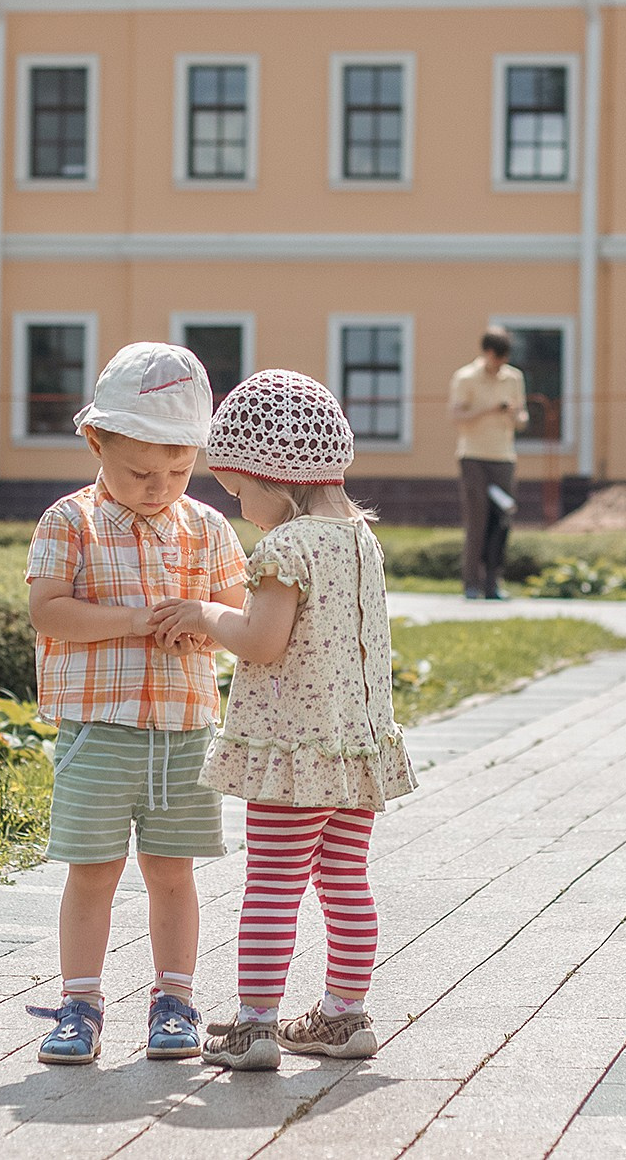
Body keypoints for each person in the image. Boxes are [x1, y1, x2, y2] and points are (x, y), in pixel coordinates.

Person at [153, 369, 418, 1071]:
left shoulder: (286, 547)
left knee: (273, 883)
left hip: (292, 755)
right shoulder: (362, 540)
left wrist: (207, 614)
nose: (242, 509)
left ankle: (256, 1025)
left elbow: (264, 640)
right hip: (352, 752)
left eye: (240, 493)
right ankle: (344, 1013)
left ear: (273, 478)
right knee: (345, 882)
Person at [23, 341, 249, 1066]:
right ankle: (80, 1002)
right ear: (96, 440)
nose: (160, 486)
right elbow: (48, 611)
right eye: (139, 471)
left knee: (173, 869)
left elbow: (237, 613)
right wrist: (133, 618)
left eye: (179, 470)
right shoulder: (70, 522)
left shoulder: (208, 527)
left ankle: (175, 999)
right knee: (91, 869)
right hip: (99, 731)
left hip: (184, 730)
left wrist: (205, 614)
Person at [448, 329, 528, 600]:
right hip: (473, 456)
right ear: (487, 353)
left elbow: (523, 419)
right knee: (477, 519)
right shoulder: (465, 378)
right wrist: (490, 409)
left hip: (504, 457)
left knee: (501, 520)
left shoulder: (514, 378)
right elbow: (457, 415)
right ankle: (472, 582)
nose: (501, 365)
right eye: (498, 358)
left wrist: (515, 414)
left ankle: (493, 583)